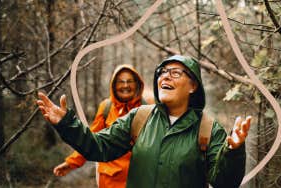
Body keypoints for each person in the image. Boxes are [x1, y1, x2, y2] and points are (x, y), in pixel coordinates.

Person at [37, 55, 251, 188]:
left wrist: (233, 151)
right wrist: (66, 123)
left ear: (193, 85)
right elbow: (97, 147)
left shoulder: (208, 129)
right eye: (162, 72)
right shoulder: (139, 117)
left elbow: (225, 183)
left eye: (175, 73)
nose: (165, 77)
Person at [52, 65, 148, 188]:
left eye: (130, 81)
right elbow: (92, 140)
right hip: (110, 180)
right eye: (120, 81)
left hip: (139, 180)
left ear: (137, 84)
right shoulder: (106, 107)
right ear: (113, 85)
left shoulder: (146, 108)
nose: (125, 85)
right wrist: (71, 162)